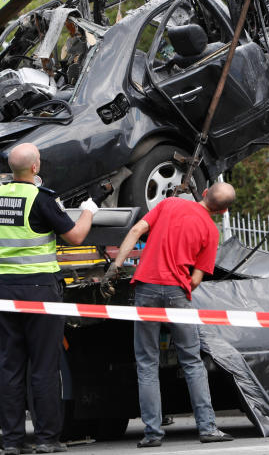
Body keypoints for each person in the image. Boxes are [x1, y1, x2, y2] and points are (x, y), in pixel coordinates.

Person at [112, 183, 237, 448]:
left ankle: (153, 433)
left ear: (204, 194)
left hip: (145, 288)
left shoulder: (169, 204)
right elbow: (195, 279)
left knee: (146, 363)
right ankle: (208, 428)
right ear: (223, 210)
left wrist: (116, 266)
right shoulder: (211, 232)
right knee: (192, 361)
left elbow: (136, 229)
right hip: (177, 293)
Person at [0, 143, 97, 455]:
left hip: (6, 289)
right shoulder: (41, 198)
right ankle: (46, 438)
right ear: (35, 168)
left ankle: (11, 441)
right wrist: (89, 210)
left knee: (10, 366)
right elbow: (76, 236)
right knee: (44, 366)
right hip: (39, 289)